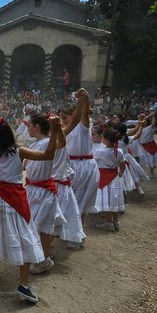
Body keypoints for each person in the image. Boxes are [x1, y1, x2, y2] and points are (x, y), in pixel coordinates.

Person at [0, 117, 62, 303]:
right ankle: (23, 285)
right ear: (10, 133)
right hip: (14, 199)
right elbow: (49, 155)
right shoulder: (20, 152)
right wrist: (55, 131)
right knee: (26, 236)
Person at [25, 113, 67, 274]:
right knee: (35, 225)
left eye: (29, 125)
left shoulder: (47, 143)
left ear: (36, 127)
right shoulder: (35, 144)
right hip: (32, 189)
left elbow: (61, 144)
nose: (27, 127)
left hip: (43, 191)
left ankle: (44, 259)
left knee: (43, 227)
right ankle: (40, 255)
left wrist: (57, 129)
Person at [59, 88, 96, 249]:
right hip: (71, 166)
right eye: (60, 118)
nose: (62, 121)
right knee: (69, 201)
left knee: (81, 202)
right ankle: (71, 232)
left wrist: (83, 100)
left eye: (65, 118)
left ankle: (77, 236)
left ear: (74, 115)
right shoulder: (64, 130)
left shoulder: (83, 125)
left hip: (85, 166)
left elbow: (84, 114)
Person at [93, 128, 126, 232]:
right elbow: (122, 165)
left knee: (107, 201)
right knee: (114, 200)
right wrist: (120, 172)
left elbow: (93, 162)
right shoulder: (119, 151)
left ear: (106, 140)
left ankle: (108, 224)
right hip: (115, 178)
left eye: (103, 137)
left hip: (104, 178)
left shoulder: (99, 151)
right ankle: (116, 222)